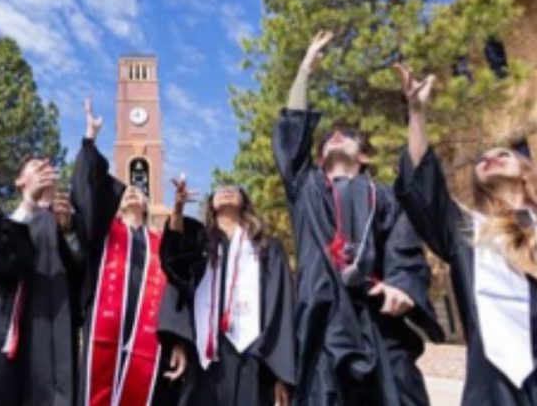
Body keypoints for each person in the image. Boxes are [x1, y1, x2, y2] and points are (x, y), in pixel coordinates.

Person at [273, 32, 443, 405]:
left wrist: (402, 285)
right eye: (328, 137)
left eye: (346, 134)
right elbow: (292, 133)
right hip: (320, 326)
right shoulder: (307, 189)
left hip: (378, 323)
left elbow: (404, 250)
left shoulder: (383, 197)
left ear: (364, 156)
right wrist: (305, 69)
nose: (335, 135)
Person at [394, 63, 537, 404]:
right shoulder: (467, 230)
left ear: (525, 172)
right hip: (492, 386)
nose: (490, 157)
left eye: (503, 153)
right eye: (482, 158)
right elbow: (421, 186)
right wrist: (416, 112)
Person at [70, 100, 188, 406]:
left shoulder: (160, 243)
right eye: (127, 192)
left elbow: (178, 291)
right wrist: (90, 138)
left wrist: (177, 341)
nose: (134, 191)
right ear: (117, 203)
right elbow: (85, 194)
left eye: (140, 191)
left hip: (146, 343)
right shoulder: (103, 234)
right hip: (104, 332)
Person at [160, 178, 296, 406]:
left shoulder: (266, 248)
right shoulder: (198, 247)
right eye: (219, 190)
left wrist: (280, 373)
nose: (226, 191)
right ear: (210, 204)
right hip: (205, 356)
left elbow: (281, 307)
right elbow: (174, 267)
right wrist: (178, 209)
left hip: (253, 357)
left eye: (233, 189)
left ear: (244, 202)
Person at [0, 154, 80, 406]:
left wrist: (67, 232)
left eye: (48, 169)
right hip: (5, 326)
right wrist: (29, 205)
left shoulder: (62, 226)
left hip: (48, 330)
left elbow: (79, 276)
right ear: (19, 181)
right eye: (36, 168)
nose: (44, 172)